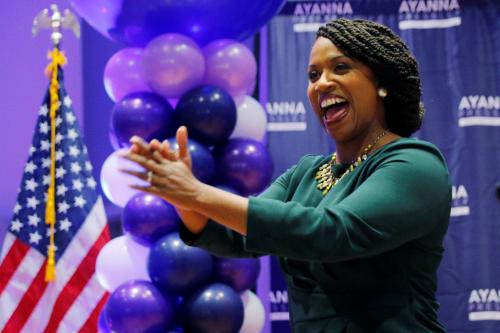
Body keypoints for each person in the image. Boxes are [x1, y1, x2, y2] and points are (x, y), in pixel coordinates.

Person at [122, 18, 451, 333]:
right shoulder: (307, 173)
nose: (321, 83)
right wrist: (181, 198)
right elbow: (233, 236)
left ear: (382, 84)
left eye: (340, 67)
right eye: (313, 74)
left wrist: (197, 193)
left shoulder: (414, 164)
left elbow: (332, 233)